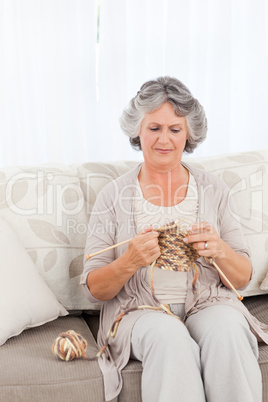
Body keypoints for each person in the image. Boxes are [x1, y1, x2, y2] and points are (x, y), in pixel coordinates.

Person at [81, 76, 268, 402]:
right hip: (139, 311)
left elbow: (243, 277)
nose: (163, 139)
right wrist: (130, 261)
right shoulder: (113, 196)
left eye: (174, 129)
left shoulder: (214, 190)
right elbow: (95, 288)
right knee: (170, 338)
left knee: (228, 331)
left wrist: (220, 251)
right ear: (138, 130)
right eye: (154, 128)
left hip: (208, 302)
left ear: (189, 133)